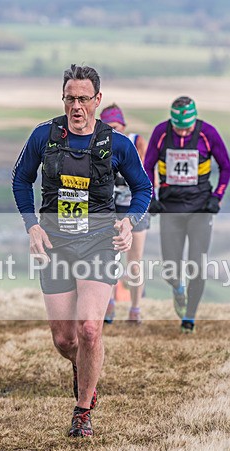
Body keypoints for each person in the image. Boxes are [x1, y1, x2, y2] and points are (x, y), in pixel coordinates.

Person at [12, 65, 152, 437]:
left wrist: (128, 221)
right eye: (70, 98)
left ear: (97, 101)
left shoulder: (116, 144)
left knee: (90, 329)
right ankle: (83, 368)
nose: (77, 106)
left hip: (98, 244)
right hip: (55, 244)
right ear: (63, 99)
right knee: (65, 340)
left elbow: (143, 189)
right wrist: (33, 226)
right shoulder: (44, 136)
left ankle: (82, 409)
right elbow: (21, 180)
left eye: (84, 99)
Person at [143, 96, 230, 334]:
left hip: (200, 208)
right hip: (170, 208)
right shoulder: (161, 132)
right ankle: (177, 288)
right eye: (179, 127)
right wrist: (151, 197)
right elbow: (147, 166)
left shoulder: (208, 133)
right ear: (172, 121)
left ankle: (189, 318)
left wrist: (217, 197)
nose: (183, 131)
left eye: (188, 127)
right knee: (171, 266)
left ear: (195, 120)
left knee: (197, 265)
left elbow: (226, 167)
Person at [99, 103, 150, 326]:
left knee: (134, 262)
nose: (113, 131)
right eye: (108, 127)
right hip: (109, 210)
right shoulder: (98, 146)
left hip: (134, 209)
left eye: (117, 126)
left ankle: (135, 309)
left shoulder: (137, 142)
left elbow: (147, 175)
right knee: (108, 259)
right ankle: (109, 305)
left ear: (124, 125)